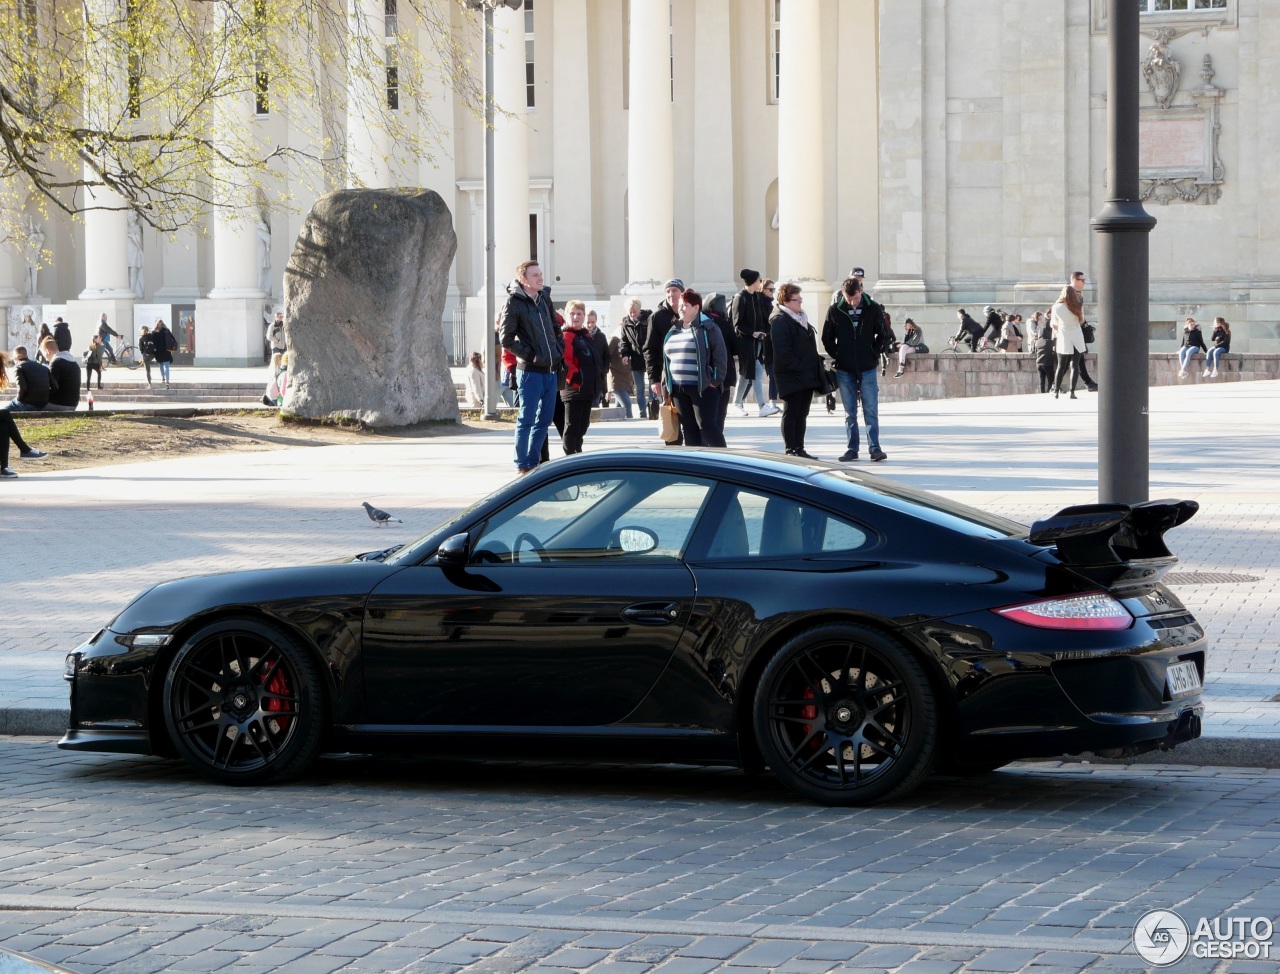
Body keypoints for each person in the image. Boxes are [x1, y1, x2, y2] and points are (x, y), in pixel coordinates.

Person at [499, 259, 563, 474]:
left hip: (551, 370)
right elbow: (506, 339)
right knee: (526, 419)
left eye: (540, 274)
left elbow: (555, 327)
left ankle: (533, 462)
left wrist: (558, 350)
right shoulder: (513, 303)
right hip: (530, 372)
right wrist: (533, 356)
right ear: (523, 280)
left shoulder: (544, 297)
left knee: (544, 420)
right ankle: (522, 464)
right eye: (535, 275)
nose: (540, 278)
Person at [823, 276, 890, 462]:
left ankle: (875, 448)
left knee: (870, 409)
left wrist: (874, 353)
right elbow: (826, 337)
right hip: (845, 368)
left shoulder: (873, 308)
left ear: (861, 291)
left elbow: (884, 335)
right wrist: (838, 354)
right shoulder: (835, 310)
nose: (852, 302)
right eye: (848, 298)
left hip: (867, 366)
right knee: (849, 412)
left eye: (855, 298)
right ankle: (852, 448)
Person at [661, 289, 727, 448]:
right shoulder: (673, 329)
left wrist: (715, 379)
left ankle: (725, 459)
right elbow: (666, 362)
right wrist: (666, 388)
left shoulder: (708, 328)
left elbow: (720, 355)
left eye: (686, 305)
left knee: (706, 425)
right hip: (678, 389)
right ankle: (696, 465)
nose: (681, 308)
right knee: (689, 429)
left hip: (702, 387)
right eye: (681, 305)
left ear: (696, 308)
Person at [770, 283, 824, 459]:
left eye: (801, 298)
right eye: (796, 299)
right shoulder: (779, 320)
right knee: (791, 412)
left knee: (803, 413)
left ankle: (800, 447)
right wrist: (800, 365)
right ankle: (790, 449)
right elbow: (783, 351)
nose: (800, 302)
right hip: (791, 375)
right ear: (785, 301)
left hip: (806, 373)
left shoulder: (800, 317)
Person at [557, 301, 603, 454]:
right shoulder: (566, 336)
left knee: (583, 425)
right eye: (572, 313)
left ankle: (578, 451)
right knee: (572, 426)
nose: (575, 317)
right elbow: (566, 361)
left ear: (584, 316)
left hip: (587, 389)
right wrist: (576, 378)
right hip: (574, 389)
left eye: (579, 313)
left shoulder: (585, 335)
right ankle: (570, 456)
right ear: (566, 316)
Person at [730, 268, 770, 416]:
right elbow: (737, 323)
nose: (761, 282)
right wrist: (753, 333)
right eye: (759, 280)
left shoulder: (756, 297)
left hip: (756, 342)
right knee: (754, 372)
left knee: (747, 374)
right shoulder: (741, 297)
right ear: (753, 282)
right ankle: (761, 406)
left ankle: (737, 403)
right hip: (745, 342)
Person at [645, 279, 685, 404]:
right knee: (671, 418)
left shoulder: (689, 313)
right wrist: (654, 379)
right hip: (666, 375)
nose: (671, 294)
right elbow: (650, 349)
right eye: (668, 291)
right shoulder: (657, 317)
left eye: (674, 290)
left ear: (682, 293)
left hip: (688, 374)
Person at [1050, 285, 1086, 400]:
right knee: (1074, 365)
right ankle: (1072, 392)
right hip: (1077, 335)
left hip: (1064, 335)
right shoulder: (1078, 305)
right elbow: (1082, 321)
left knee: (1061, 365)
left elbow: (1053, 324)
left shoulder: (1057, 307)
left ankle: (1056, 391)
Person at [617, 299, 650, 418]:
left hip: (649, 357)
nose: (632, 314)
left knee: (652, 387)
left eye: (634, 312)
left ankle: (653, 409)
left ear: (639, 309)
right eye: (630, 312)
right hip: (636, 359)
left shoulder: (649, 319)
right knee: (639, 388)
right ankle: (642, 412)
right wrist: (625, 355)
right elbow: (624, 342)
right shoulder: (626, 324)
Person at [1069, 271, 1098, 391]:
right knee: (1070, 360)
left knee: (1076, 358)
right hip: (1071, 331)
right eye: (1082, 280)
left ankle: (1088, 382)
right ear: (1075, 280)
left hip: (1077, 330)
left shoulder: (1078, 294)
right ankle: (1056, 386)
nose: (1084, 282)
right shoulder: (1068, 293)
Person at [6, 347, 51, 411]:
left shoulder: (18, 368)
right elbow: (55, 387)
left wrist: (19, 400)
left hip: (27, 403)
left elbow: (22, 388)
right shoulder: (43, 368)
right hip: (43, 404)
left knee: (3, 412)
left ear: (15, 358)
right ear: (26, 355)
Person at [44, 338, 81, 412]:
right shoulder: (74, 363)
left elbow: (53, 387)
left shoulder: (56, 362)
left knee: (29, 405)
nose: (45, 357)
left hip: (58, 404)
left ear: (47, 351)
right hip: (73, 404)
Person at [606, 327, 636, 417]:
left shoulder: (629, 342)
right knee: (627, 405)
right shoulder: (614, 340)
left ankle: (617, 427)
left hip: (626, 379)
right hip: (616, 379)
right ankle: (630, 426)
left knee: (619, 407)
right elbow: (606, 356)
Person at [585, 310, 610, 406]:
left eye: (592, 322)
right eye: (588, 322)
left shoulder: (601, 336)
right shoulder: (581, 336)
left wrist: (604, 369)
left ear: (596, 321)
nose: (590, 325)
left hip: (599, 375)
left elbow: (607, 355)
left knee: (596, 401)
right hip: (586, 376)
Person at [1031, 312, 1056, 393]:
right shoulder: (1050, 342)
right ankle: (1049, 393)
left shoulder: (1037, 342)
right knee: (1050, 381)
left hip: (1039, 364)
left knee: (1041, 382)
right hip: (1048, 364)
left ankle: (1042, 394)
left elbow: (1034, 351)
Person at [152, 319, 177, 388]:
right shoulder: (167, 331)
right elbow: (173, 339)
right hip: (166, 351)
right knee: (167, 367)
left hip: (158, 352)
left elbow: (152, 342)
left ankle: (163, 377)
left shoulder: (154, 333)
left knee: (161, 365)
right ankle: (167, 381)